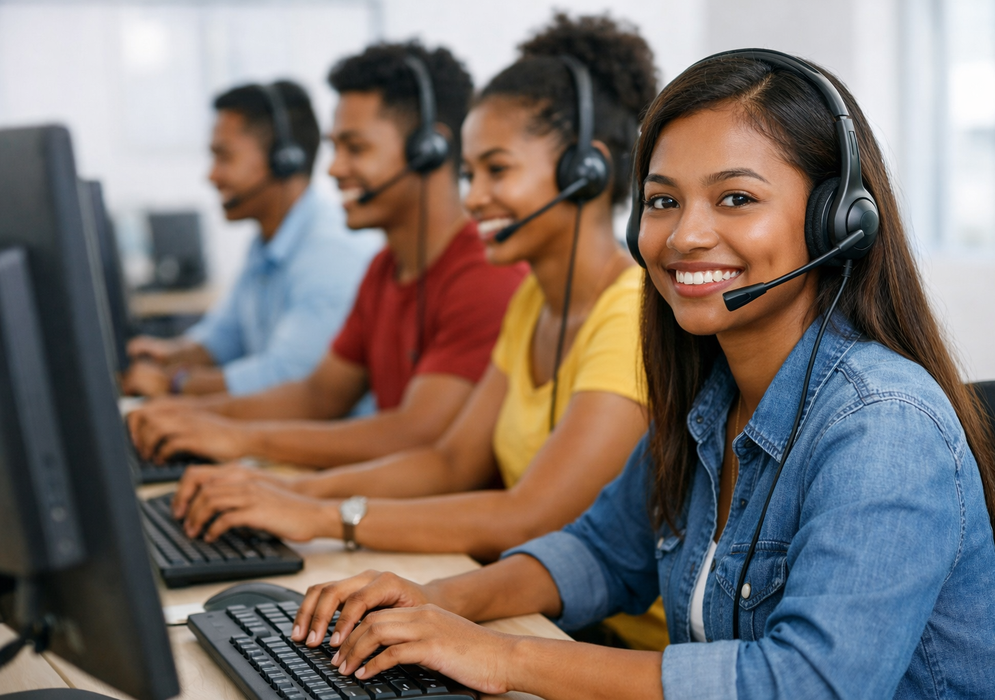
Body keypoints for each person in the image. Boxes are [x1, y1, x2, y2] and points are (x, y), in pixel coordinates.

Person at [282, 52, 995, 699]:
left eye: (736, 199)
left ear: (836, 222)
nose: (685, 235)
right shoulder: (712, 396)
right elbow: (602, 552)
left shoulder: (882, 425)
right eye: (662, 201)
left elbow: (808, 683)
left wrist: (502, 655)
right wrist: (434, 602)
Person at [168, 13, 668, 651]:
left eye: (496, 170)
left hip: (615, 643)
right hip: (539, 613)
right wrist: (284, 493)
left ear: (585, 172)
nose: (475, 196)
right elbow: (450, 459)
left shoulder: (629, 315)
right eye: (468, 174)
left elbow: (533, 513)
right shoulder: (532, 306)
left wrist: (323, 516)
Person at [127, 43, 526, 467]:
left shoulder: (485, 275)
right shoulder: (384, 268)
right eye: (335, 147)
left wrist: (245, 439)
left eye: (355, 148)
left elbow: (417, 433)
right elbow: (318, 395)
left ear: (428, 150)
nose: (333, 169)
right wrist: (189, 417)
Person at [122, 81, 382, 398]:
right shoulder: (267, 243)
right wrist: (165, 355)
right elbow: (224, 337)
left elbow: (287, 377)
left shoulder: (330, 249)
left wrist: (175, 384)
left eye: (224, 157)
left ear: (284, 160)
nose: (211, 175)